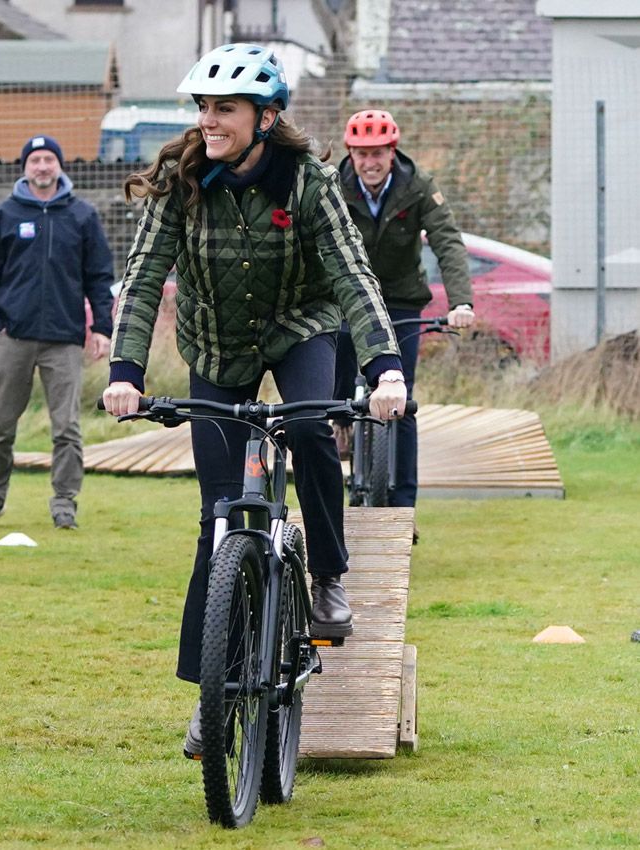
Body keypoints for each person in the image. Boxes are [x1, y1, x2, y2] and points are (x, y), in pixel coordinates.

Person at [101, 43, 407, 757]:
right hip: (216, 346)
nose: (209, 120)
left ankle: (328, 572)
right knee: (217, 518)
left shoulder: (305, 180)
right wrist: (125, 369)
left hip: (300, 328)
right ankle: (214, 693)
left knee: (306, 431)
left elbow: (352, 275)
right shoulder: (184, 178)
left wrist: (385, 367)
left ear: (265, 117)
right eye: (203, 108)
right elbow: (144, 277)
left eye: (225, 109)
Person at [335, 109, 476, 540]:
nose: (369, 163)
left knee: (403, 400)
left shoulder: (417, 187)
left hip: (400, 300)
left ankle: (403, 507)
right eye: (361, 154)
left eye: (377, 153)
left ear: (391, 153)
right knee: (335, 381)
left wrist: (461, 301)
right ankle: (341, 420)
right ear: (351, 155)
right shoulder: (333, 187)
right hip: (344, 296)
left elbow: (447, 241)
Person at [0, 134, 114, 530]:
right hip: (12, 338)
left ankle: (64, 503)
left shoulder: (82, 215)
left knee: (66, 428)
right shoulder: (6, 214)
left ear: (60, 166)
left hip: (64, 340)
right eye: (35, 161)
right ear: (25, 168)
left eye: (49, 159)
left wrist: (101, 327)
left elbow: (99, 277)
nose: (43, 167)